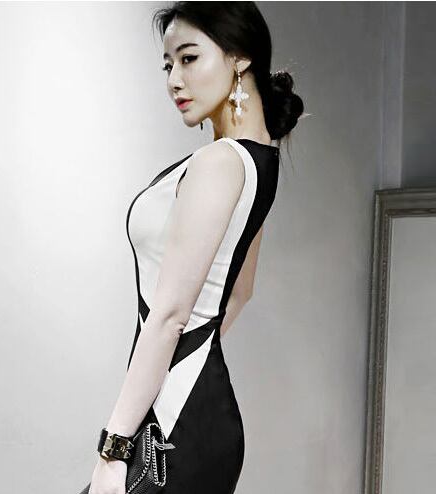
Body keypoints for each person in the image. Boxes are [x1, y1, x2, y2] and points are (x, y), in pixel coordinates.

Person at [87, 2, 304, 493]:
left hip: (174, 427)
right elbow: (239, 292)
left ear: (239, 57)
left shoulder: (219, 163)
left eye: (188, 59)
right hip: (194, 419)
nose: (174, 81)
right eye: (168, 65)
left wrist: (113, 448)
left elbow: (170, 315)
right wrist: (186, 364)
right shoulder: (259, 160)